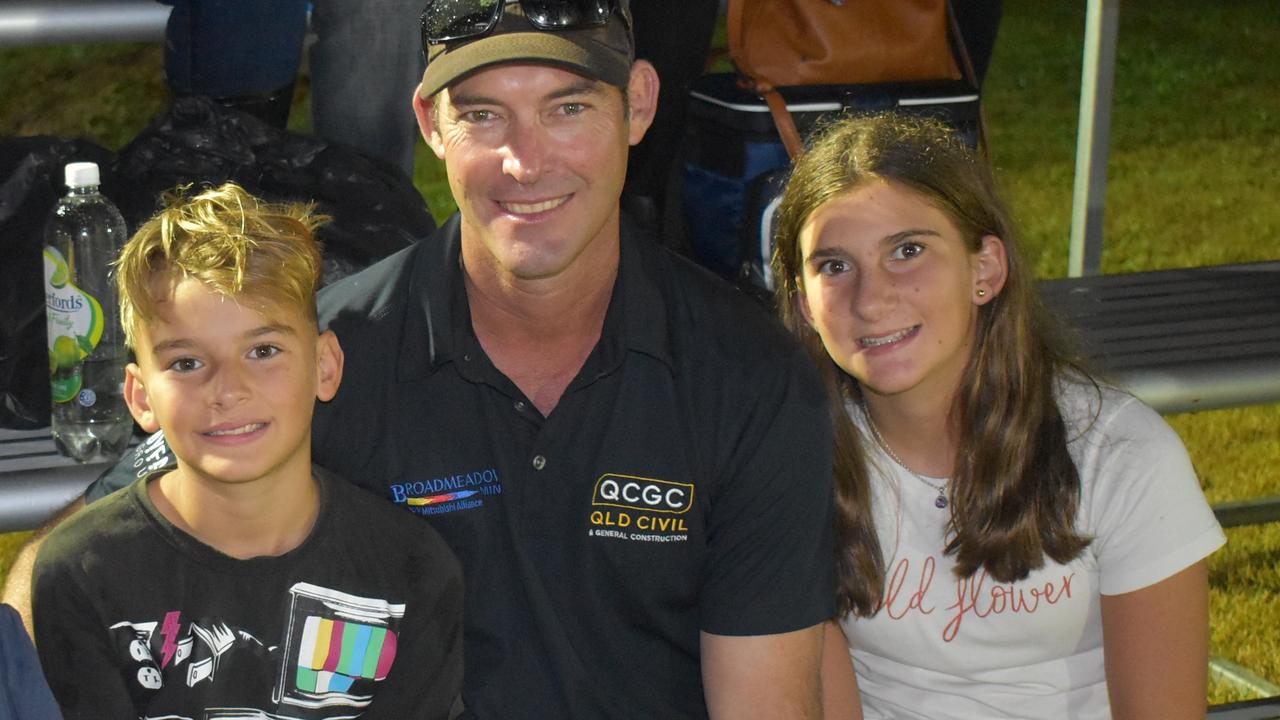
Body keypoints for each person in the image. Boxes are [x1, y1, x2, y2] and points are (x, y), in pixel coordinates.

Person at [7, 3, 839, 718]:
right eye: (482, 115)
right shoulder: (329, 353)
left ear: (640, 104)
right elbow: (82, 544)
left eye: (568, 108)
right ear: (429, 122)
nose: (525, 161)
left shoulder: (749, 378)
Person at [772, 114, 1226, 720]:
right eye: (834, 266)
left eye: (908, 251)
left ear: (984, 269)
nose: (871, 298)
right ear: (804, 303)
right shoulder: (787, 455)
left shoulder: (1118, 452)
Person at [29, 183, 464, 719]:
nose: (228, 389)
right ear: (141, 397)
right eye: (186, 362)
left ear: (324, 367)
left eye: (263, 351)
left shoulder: (411, 571)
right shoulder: (80, 573)